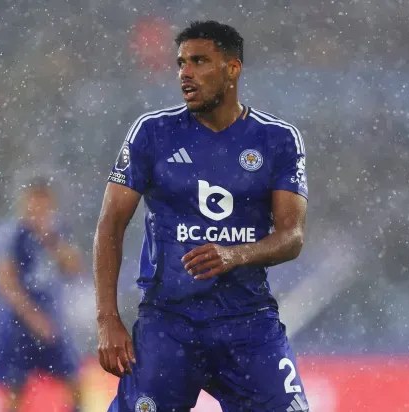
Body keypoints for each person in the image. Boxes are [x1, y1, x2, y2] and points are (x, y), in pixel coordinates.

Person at [94, 21, 310, 412]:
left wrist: (235, 255)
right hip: (168, 322)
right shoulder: (152, 133)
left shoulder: (277, 139)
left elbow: (292, 237)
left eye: (199, 61)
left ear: (232, 69)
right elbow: (110, 226)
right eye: (181, 63)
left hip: (248, 322)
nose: (185, 73)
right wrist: (107, 318)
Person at [0, 178, 85, 412]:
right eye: (35, 201)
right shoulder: (12, 233)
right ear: (25, 203)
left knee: (74, 381)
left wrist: (52, 240)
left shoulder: (57, 232)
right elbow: (5, 281)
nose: (40, 207)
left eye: (45, 202)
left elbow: (74, 268)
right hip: (18, 321)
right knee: (14, 389)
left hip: (51, 317)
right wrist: (33, 316)